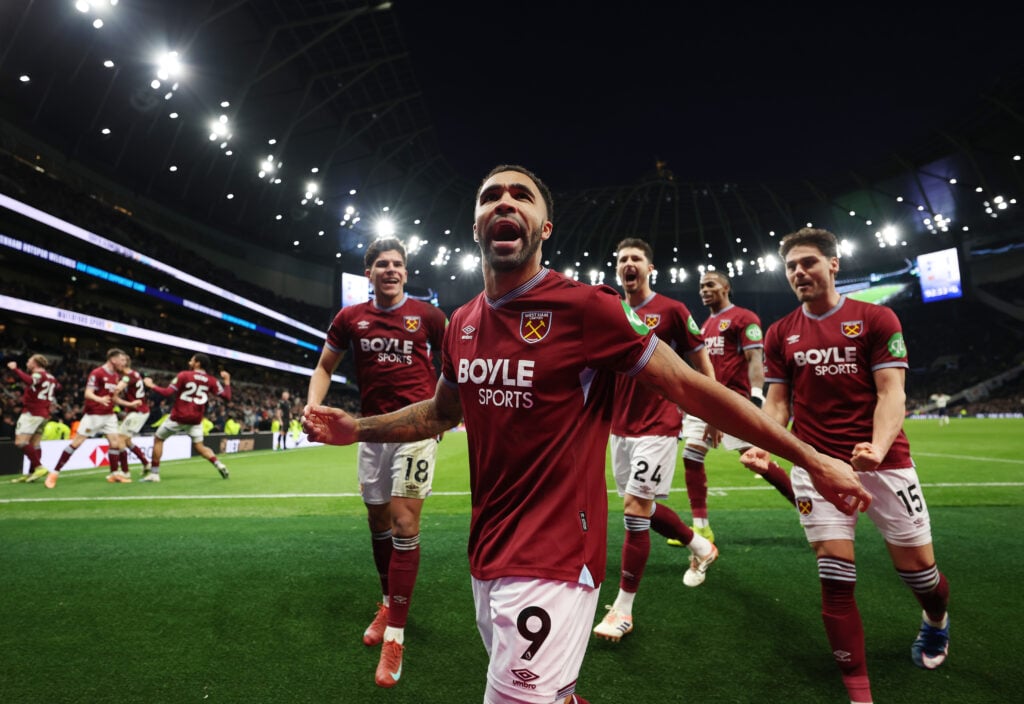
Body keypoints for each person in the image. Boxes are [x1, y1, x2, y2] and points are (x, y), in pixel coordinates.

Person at [303, 165, 871, 704]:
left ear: (544, 228)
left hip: (556, 556)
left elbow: (691, 387)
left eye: (522, 196)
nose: (505, 200)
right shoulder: (464, 323)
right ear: (476, 224)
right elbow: (440, 413)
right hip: (487, 552)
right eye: (492, 195)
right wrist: (358, 428)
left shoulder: (585, 308)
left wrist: (811, 457)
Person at [741, 227, 950, 704]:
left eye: (809, 262)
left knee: (921, 573)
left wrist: (877, 446)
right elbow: (777, 404)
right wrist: (767, 444)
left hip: (884, 462)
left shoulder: (876, 318)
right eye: (792, 266)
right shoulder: (780, 332)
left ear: (834, 265)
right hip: (816, 463)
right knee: (834, 574)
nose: (799, 272)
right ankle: (860, 695)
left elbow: (891, 392)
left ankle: (935, 621)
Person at [306, 236, 447, 689]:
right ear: (368, 273)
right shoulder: (350, 318)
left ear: (407, 273)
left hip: (416, 430)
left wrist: (445, 409)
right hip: (369, 430)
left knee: (406, 525)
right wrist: (313, 406)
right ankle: (387, 602)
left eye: (398, 264)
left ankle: (397, 636)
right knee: (378, 524)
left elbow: (454, 363)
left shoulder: (428, 316)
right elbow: (325, 366)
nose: (390, 270)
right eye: (382, 264)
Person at [592, 237, 718, 643]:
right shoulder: (610, 310)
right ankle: (700, 545)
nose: (628, 263)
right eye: (622, 258)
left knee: (634, 509)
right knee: (639, 505)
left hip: (659, 423)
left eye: (635, 259)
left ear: (650, 269)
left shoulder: (672, 310)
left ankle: (623, 609)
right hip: (619, 426)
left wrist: (712, 411)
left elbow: (700, 360)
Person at [671, 271, 795, 545]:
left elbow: (754, 360)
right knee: (692, 457)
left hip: (733, 402)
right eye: (701, 285)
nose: (704, 290)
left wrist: (755, 398)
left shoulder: (744, 318)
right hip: (707, 402)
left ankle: (802, 504)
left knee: (755, 459)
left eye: (710, 285)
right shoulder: (705, 326)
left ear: (726, 287)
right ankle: (701, 528)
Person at [46, 348, 135, 488]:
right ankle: (54, 473)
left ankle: (113, 474)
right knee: (76, 443)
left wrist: (130, 404)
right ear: (113, 359)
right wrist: (99, 399)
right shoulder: (97, 373)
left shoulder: (116, 376)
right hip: (94, 414)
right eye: (122, 360)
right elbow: (88, 393)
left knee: (115, 443)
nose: (124, 363)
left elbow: (114, 398)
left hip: (109, 415)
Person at [141, 353, 231, 482]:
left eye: (192, 360)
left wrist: (151, 385)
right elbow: (227, 397)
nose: (190, 362)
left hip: (178, 417)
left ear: (198, 363)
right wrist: (227, 381)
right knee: (200, 447)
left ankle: (154, 474)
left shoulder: (184, 375)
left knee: (158, 439)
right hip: (195, 420)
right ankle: (219, 464)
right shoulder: (212, 380)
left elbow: (167, 392)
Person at [7, 355, 61, 483]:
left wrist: (15, 369)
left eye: (29, 361)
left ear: (35, 363)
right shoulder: (51, 377)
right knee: (35, 444)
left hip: (32, 413)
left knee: (20, 442)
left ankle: (38, 467)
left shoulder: (38, 374)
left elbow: (30, 381)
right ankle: (32, 473)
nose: (27, 363)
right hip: (44, 414)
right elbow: (59, 387)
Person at [115, 356, 153, 477]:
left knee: (120, 439)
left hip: (138, 411)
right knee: (127, 440)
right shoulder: (135, 374)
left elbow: (117, 389)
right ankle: (146, 464)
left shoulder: (128, 376)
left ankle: (125, 471)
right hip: (138, 410)